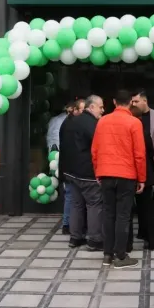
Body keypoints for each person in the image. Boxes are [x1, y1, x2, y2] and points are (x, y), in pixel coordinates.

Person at [91, 89, 147, 269]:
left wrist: (98, 172)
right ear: (130, 102)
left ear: (114, 102)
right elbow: (139, 154)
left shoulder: (102, 121)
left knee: (108, 214)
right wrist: (142, 178)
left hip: (106, 173)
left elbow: (95, 151)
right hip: (127, 175)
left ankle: (107, 254)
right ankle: (120, 255)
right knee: (123, 216)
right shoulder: (135, 122)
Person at [61, 96, 104, 251]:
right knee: (94, 204)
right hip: (87, 172)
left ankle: (75, 237)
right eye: (101, 107)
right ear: (91, 107)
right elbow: (98, 146)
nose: (103, 110)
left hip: (71, 171)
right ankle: (94, 239)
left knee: (76, 204)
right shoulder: (92, 124)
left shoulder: (69, 121)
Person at [131, 90, 154, 250]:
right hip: (135, 168)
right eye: (132, 102)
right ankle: (143, 233)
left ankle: (148, 233)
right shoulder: (131, 119)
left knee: (150, 201)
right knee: (142, 203)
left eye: (136, 101)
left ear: (144, 101)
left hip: (153, 165)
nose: (133, 104)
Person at [57, 99, 85, 234]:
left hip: (67, 166)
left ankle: (67, 224)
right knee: (72, 196)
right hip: (71, 167)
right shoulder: (72, 125)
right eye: (82, 110)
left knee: (71, 196)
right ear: (75, 110)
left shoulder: (67, 123)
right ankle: (68, 225)